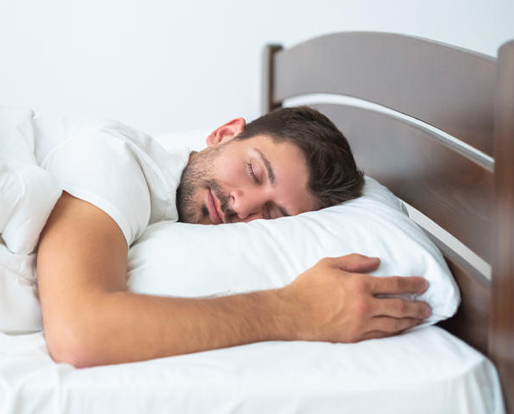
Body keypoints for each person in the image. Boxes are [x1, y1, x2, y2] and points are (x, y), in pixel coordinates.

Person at [36, 106, 432, 368]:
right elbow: (79, 332)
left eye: (273, 214)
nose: (242, 206)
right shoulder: (116, 160)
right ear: (224, 133)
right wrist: (295, 311)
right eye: (255, 172)